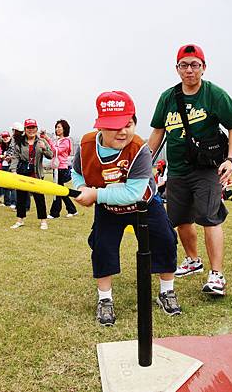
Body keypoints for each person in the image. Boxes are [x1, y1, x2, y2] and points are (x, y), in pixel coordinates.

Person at [72, 90, 181, 326]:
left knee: (165, 238)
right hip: (108, 208)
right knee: (102, 246)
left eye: (128, 124)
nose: (123, 131)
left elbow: (133, 192)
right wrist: (81, 187)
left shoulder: (139, 149)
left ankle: (166, 291)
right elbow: (77, 172)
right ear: (100, 126)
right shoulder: (86, 144)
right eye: (114, 126)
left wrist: (96, 194)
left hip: (143, 204)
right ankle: (104, 299)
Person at [148, 44, 232, 296]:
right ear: (177, 68)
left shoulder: (214, 95)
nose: (189, 70)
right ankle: (193, 260)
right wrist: (144, 161)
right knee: (180, 219)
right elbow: (158, 131)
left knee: (209, 218)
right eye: (184, 65)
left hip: (206, 168)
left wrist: (230, 160)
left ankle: (216, 275)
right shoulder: (168, 97)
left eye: (194, 65)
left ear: (203, 67)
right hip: (177, 169)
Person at [9, 119, 53, 230]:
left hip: (36, 173)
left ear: (37, 129)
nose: (31, 130)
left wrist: (44, 148)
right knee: (21, 197)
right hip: (22, 173)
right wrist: (13, 171)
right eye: (28, 128)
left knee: (39, 198)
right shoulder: (19, 142)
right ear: (25, 129)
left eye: (33, 127)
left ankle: (43, 221)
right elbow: (15, 157)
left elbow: (51, 155)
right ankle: (20, 220)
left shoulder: (41, 141)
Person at [45, 119, 78, 218]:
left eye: (59, 127)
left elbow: (56, 151)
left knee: (58, 190)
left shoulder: (66, 141)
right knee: (61, 190)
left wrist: (47, 139)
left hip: (61, 168)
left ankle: (55, 213)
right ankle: (72, 209)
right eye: (56, 127)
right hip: (56, 167)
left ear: (64, 129)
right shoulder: (58, 140)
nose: (57, 129)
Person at [0, 130, 14, 207]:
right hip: (4, 165)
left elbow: (14, 155)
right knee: (5, 184)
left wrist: (7, 157)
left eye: (6, 137)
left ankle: (13, 202)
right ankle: (7, 202)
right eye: (3, 137)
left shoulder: (12, 145)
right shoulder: (3, 146)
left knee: (12, 185)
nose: (5, 138)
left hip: (11, 166)